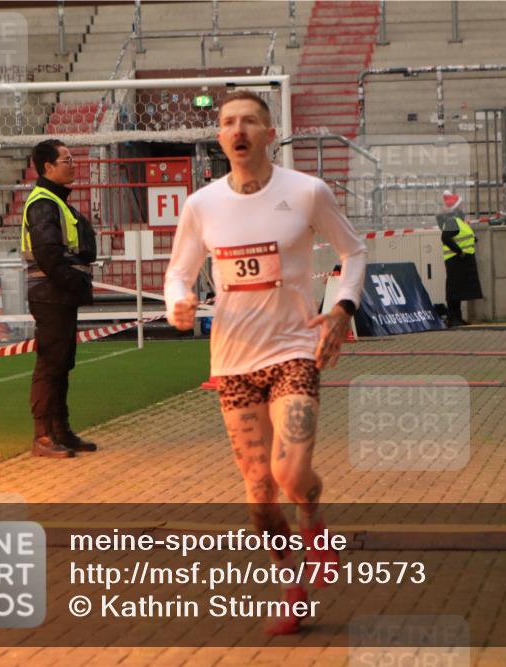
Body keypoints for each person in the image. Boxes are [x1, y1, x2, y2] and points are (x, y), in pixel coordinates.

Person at [164, 91, 367, 635]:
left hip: (295, 348)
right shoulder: (201, 205)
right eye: (228, 122)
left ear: (269, 131)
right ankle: (290, 588)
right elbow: (179, 273)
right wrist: (176, 303)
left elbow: (354, 251)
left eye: (249, 120)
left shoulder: (306, 192)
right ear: (220, 137)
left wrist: (342, 309)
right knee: (258, 493)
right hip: (233, 361)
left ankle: (315, 524)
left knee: (291, 471)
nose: (238, 129)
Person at [21, 139, 98, 459]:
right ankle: (43, 436)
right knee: (51, 363)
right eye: (66, 159)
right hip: (51, 293)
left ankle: (60, 431)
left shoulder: (55, 200)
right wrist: (73, 282)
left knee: (62, 362)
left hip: (58, 293)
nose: (73, 163)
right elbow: (49, 254)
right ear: (48, 167)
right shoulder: (43, 203)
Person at [436, 190, 483, 326]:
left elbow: (462, 235)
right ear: (457, 206)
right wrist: (459, 251)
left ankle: (457, 318)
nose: (463, 206)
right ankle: (453, 318)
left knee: (459, 290)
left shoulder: (458, 220)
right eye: (460, 204)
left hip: (461, 260)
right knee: (454, 290)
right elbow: (445, 238)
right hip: (456, 260)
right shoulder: (452, 221)